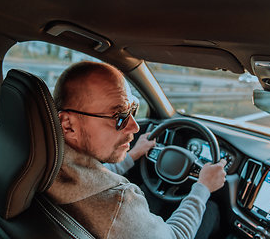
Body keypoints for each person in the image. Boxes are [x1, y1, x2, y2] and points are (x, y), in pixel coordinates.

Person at [46, 61, 227, 239]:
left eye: (133, 109)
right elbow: (176, 235)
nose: (134, 126)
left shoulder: (44, 162)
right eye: (120, 117)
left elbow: (91, 177)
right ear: (68, 125)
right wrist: (202, 188)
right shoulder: (118, 204)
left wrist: (132, 155)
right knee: (212, 209)